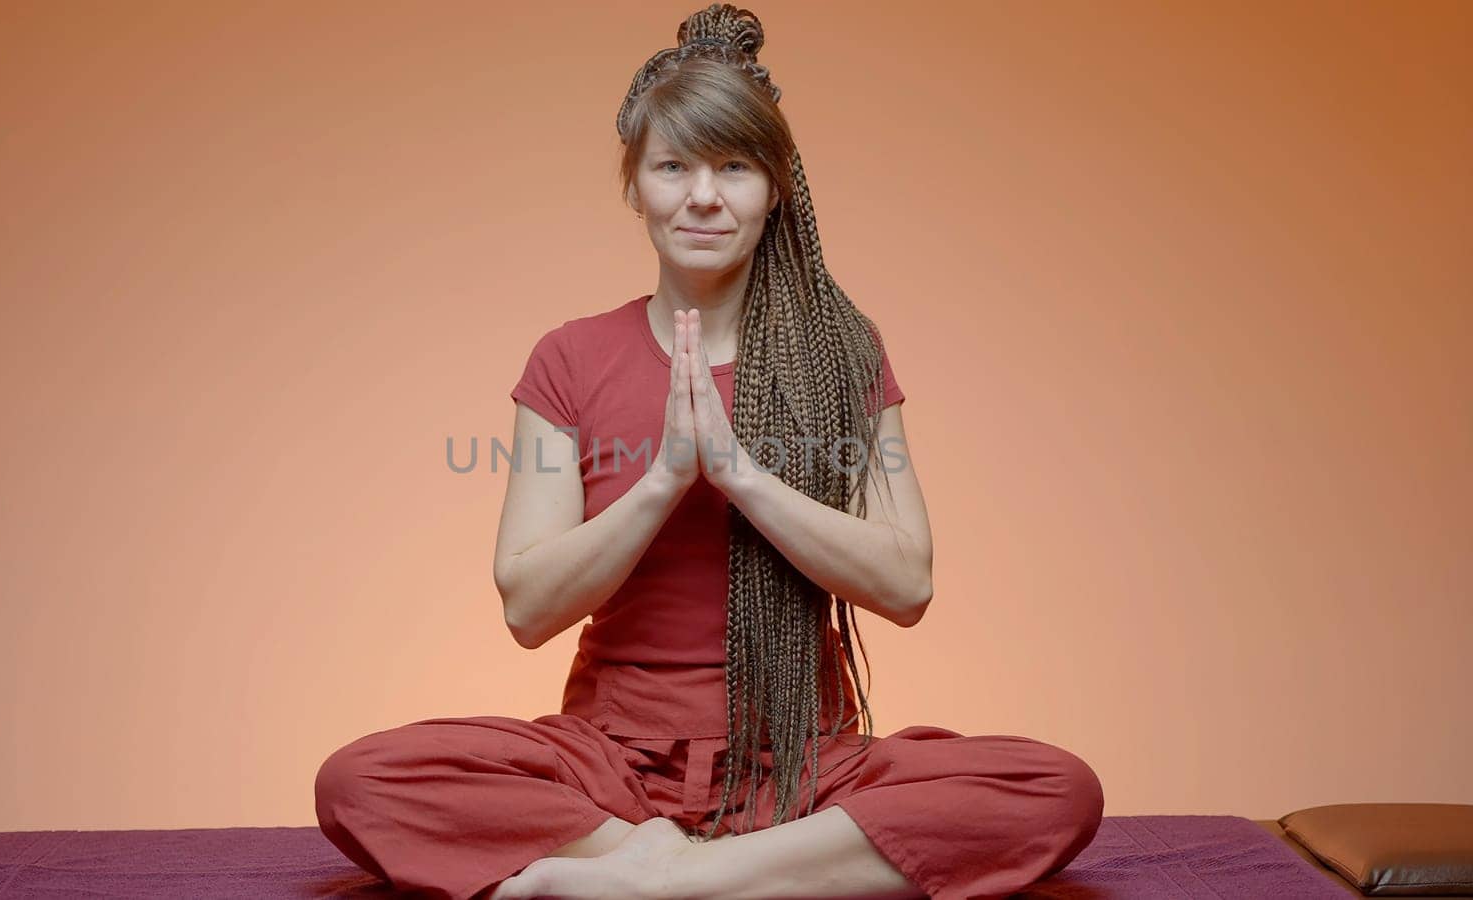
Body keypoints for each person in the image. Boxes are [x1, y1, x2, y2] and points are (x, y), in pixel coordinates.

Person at [314, 4, 1104, 898]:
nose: (702, 195)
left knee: (1054, 791)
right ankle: (737, 876)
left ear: (774, 187)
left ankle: (662, 882)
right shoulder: (568, 357)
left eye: (734, 167)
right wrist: (664, 480)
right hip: (611, 765)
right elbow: (528, 607)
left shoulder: (845, 352)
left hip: (805, 763)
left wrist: (737, 474)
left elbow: (907, 585)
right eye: (673, 165)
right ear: (635, 184)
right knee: (361, 781)